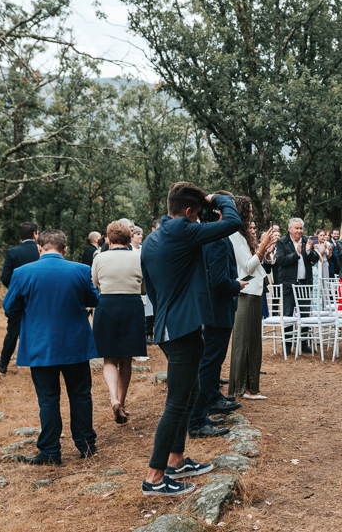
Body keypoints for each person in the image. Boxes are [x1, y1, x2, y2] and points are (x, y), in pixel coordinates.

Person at [140, 182, 242, 497]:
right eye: (198, 214)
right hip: (181, 329)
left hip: (174, 325)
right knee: (175, 403)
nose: (200, 220)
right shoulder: (183, 230)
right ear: (187, 212)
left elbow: (154, 291)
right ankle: (155, 477)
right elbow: (233, 223)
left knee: (190, 392)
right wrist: (220, 199)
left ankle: (177, 459)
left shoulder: (152, 238)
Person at [2, 229, 100, 465]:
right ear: (64, 249)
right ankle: (86, 444)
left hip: (39, 343)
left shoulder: (22, 272)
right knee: (80, 395)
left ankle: (50, 451)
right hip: (75, 343)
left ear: (39, 248)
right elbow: (94, 300)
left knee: (48, 399)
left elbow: (9, 307)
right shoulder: (81, 270)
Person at [188, 194, 251, 438]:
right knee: (210, 363)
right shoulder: (215, 238)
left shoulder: (206, 234)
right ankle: (197, 419)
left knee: (211, 362)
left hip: (213, 308)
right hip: (216, 309)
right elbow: (218, 280)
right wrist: (237, 286)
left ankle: (203, 409)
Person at [91, 221, 147, 425]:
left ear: (109, 239)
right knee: (126, 359)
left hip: (107, 305)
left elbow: (94, 284)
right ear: (128, 238)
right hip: (132, 305)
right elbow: (144, 289)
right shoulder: (139, 256)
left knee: (109, 359)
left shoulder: (100, 257)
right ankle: (121, 404)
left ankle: (113, 398)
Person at [229, 198, 275, 401]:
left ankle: (251, 387)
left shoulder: (243, 236)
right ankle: (239, 388)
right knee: (243, 342)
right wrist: (263, 244)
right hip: (245, 292)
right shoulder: (234, 235)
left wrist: (265, 248)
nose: (251, 215)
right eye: (248, 211)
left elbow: (255, 263)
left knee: (254, 342)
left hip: (255, 290)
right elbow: (247, 266)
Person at [0, 222, 41, 376]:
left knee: (13, 331)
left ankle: (3, 364)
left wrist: (16, 290)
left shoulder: (12, 252)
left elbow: (5, 277)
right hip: (40, 297)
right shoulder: (42, 250)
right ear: (34, 234)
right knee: (42, 328)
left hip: (19, 299)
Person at [273, 217, 320, 354]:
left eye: (301, 228)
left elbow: (316, 258)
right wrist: (297, 254)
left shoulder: (306, 240)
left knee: (305, 313)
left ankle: (303, 343)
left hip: (305, 283)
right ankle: (287, 345)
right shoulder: (282, 242)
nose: (299, 231)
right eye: (296, 228)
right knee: (287, 314)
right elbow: (280, 261)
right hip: (288, 284)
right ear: (289, 229)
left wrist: (308, 251)